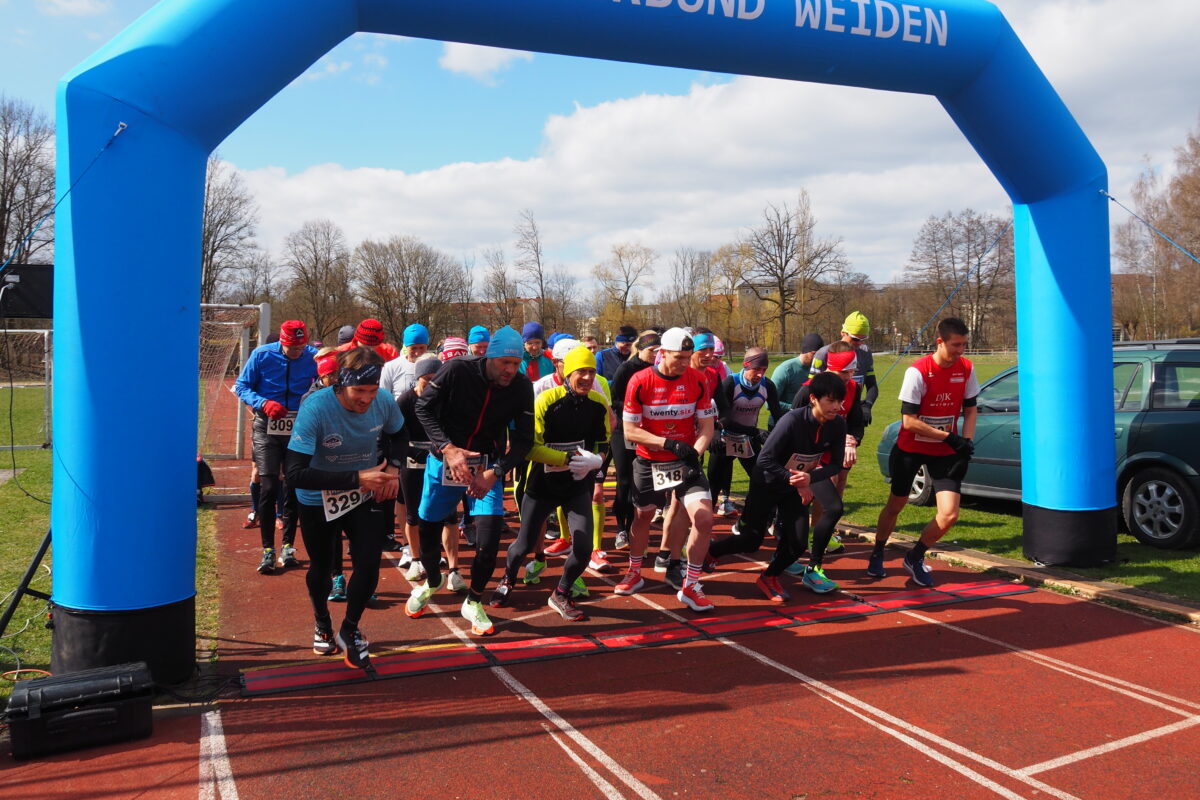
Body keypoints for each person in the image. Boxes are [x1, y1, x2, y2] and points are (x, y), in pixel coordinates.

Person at [406, 326, 534, 636]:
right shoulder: (457, 370)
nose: (510, 370)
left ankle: (474, 601)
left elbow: (524, 440)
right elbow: (423, 407)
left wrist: (496, 472)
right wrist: (448, 449)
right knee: (428, 533)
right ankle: (433, 580)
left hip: (486, 468)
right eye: (504, 362)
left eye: (516, 363)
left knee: (489, 542)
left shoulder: (520, 386)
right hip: (445, 462)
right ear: (490, 356)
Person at [284, 346, 404, 669]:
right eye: (359, 391)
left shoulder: (383, 401)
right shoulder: (316, 408)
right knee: (322, 567)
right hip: (318, 497)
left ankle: (349, 628)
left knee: (369, 562)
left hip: (362, 494)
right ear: (341, 383)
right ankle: (322, 622)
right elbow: (294, 474)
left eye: (372, 390)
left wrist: (394, 467)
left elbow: (400, 433)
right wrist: (357, 477)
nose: (366, 399)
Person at [491, 345, 610, 621]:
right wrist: (568, 458)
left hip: (577, 485)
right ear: (568, 372)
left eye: (591, 372)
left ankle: (561, 592)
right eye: (581, 371)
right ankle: (508, 578)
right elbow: (530, 447)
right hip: (543, 485)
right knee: (524, 544)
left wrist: (598, 460)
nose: (587, 377)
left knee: (583, 548)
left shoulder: (597, 403)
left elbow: (603, 442)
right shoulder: (546, 400)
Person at [707, 372, 848, 599]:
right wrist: (795, 479)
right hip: (767, 483)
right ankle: (712, 551)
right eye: (830, 400)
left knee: (798, 543)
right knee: (751, 541)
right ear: (813, 398)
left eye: (839, 401)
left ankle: (769, 577)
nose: (836, 407)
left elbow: (836, 464)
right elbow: (764, 460)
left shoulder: (838, 424)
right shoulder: (792, 421)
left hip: (794, 487)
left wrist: (809, 479)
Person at [870, 317, 978, 586]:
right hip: (911, 449)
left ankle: (915, 556)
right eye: (955, 345)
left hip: (945, 451)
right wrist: (949, 437)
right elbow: (909, 421)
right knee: (896, 505)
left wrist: (966, 441)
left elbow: (970, 409)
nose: (961, 351)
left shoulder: (966, 368)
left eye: (964, 344)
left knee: (950, 514)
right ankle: (878, 551)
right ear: (939, 342)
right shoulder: (918, 371)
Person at [618, 327, 718, 612]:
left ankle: (691, 585)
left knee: (704, 519)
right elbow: (630, 430)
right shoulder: (640, 380)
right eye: (678, 358)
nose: (685, 363)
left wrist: (694, 453)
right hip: (649, 461)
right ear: (662, 353)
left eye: (688, 357)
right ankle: (634, 571)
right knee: (643, 517)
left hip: (685, 460)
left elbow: (707, 427)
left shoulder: (698, 379)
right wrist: (668, 443)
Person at [234, 321, 318, 575]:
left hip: (298, 426)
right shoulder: (262, 355)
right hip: (267, 426)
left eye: (301, 347)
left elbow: (330, 376)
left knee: (293, 486)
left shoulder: (313, 357)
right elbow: (241, 386)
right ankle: (268, 549)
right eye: (292, 348)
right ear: (282, 342)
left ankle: (288, 546)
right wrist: (263, 403)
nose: (297, 352)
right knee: (269, 486)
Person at [708, 347, 782, 517]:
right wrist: (755, 431)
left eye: (764, 370)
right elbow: (725, 419)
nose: (760, 374)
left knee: (762, 481)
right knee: (713, 486)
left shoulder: (767, 385)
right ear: (746, 365)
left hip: (749, 441)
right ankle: (703, 526)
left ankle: (751, 520)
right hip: (724, 440)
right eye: (756, 369)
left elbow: (778, 415)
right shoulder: (730, 383)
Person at [609, 331, 660, 551]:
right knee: (624, 481)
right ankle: (621, 528)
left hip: (646, 432)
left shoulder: (659, 370)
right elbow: (614, 400)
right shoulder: (626, 369)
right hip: (623, 431)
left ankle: (634, 528)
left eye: (659, 351)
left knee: (640, 483)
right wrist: (636, 408)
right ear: (640, 349)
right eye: (652, 350)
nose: (656, 354)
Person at [812, 312, 877, 425]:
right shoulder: (823, 354)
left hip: (852, 414)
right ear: (843, 332)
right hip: (827, 417)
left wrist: (867, 405)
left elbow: (872, 385)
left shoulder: (865, 352)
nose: (860, 343)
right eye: (855, 339)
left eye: (863, 339)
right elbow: (812, 389)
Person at [770, 332, 824, 428]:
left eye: (819, 354)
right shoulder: (785, 369)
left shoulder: (818, 369)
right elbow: (770, 402)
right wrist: (796, 408)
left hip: (805, 424)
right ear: (805, 350)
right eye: (814, 354)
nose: (817, 358)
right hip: (781, 424)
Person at [380, 323, 431, 400]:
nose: (417, 353)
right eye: (413, 348)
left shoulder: (434, 366)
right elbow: (383, 398)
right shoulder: (390, 367)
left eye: (421, 348)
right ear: (406, 347)